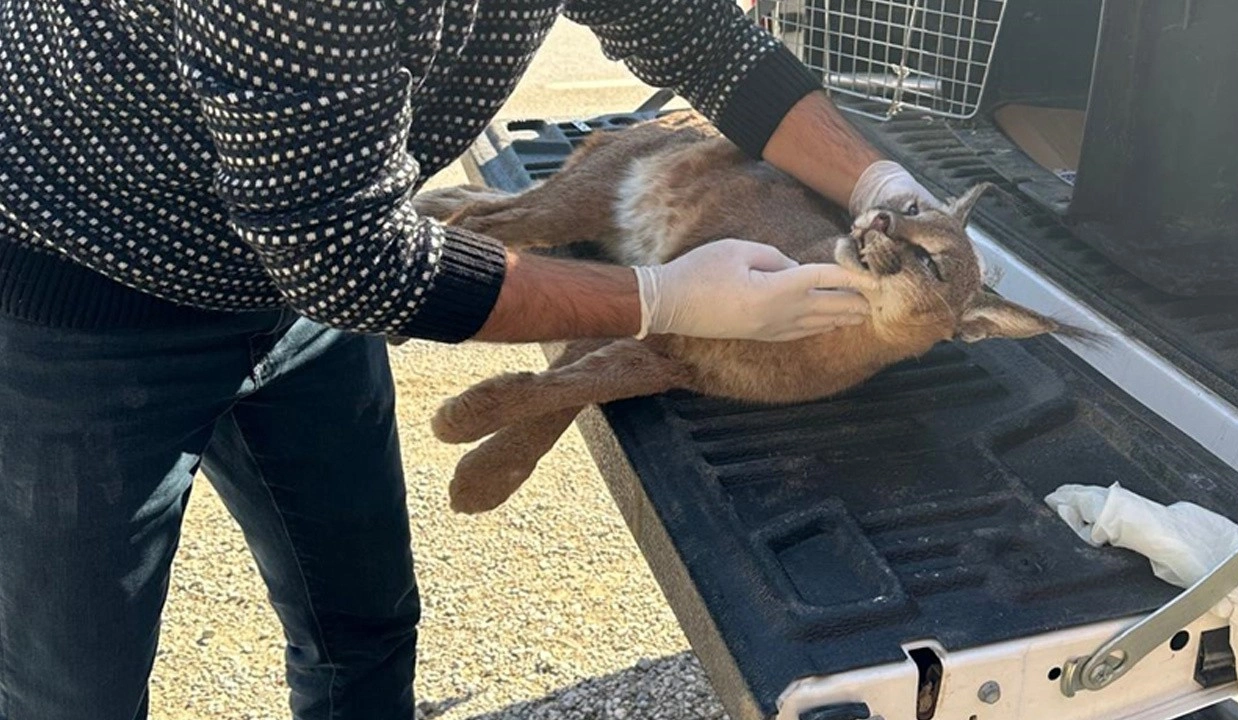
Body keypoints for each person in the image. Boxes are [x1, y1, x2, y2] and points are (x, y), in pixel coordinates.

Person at [0, 1, 935, 718]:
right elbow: (349, 256)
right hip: (89, 303)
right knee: (72, 685)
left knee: (361, 623)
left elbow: (694, 32)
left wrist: (878, 182)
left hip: (297, 287)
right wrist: (670, 299)